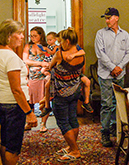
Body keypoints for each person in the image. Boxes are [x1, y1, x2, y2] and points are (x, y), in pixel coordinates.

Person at [0, 19, 38, 165]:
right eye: (19, 34)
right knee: (13, 147)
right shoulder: (10, 57)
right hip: (13, 104)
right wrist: (29, 113)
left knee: (5, 140)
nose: (23, 37)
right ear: (9, 35)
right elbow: (16, 90)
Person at [94, 7, 129, 147]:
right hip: (105, 74)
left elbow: (128, 53)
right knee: (107, 104)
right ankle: (105, 132)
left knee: (118, 104)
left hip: (120, 74)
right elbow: (100, 54)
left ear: (116, 18)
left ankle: (116, 129)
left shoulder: (125, 35)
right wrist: (112, 68)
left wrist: (120, 67)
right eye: (105, 18)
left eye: (109, 18)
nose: (107, 20)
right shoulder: (101, 34)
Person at [49, 27, 85, 162]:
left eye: (61, 41)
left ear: (67, 41)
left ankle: (75, 150)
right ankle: (71, 147)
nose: (59, 44)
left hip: (61, 93)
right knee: (73, 119)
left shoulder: (60, 55)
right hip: (75, 90)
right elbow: (82, 70)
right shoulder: (81, 54)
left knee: (63, 122)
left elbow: (50, 67)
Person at [22, 26, 50, 133]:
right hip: (32, 76)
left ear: (41, 35)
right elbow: (25, 60)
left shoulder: (46, 46)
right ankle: (30, 122)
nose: (33, 38)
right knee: (30, 101)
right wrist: (40, 63)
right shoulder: (28, 46)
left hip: (44, 76)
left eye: (35, 36)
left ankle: (43, 123)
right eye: (31, 36)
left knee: (45, 101)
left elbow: (51, 58)